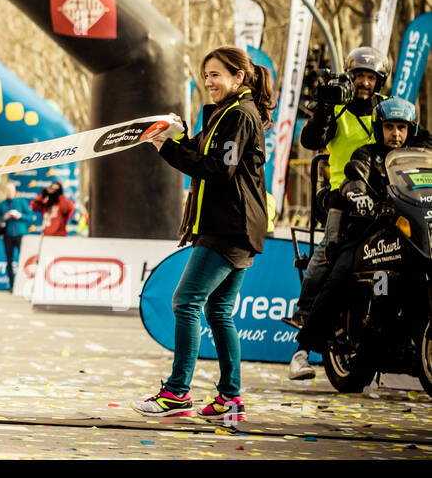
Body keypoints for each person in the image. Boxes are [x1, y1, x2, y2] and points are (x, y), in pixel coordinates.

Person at [131, 45, 274, 423]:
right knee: (218, 309)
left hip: (230, 227)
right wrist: (173, 135)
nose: (209, 81)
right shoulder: (223, 113)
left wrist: (166, 150)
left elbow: (217, 169)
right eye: (206, 75)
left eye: (216, 75)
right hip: (234, 225)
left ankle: (177, 392)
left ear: (238, 78)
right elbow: (198, 149)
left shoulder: (240, 114)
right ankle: (230, 398)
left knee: (186, 301)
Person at [290, 97, 423, 379]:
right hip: (367, 231)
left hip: (407, 234)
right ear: (379, 128)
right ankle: (302, 351)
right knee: (341, 275)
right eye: (389, 127)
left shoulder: (419, 158)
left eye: (401, 127)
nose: (396, 134)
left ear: (411, 129)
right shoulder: (367, 154)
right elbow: (354, 178)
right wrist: (357, 194)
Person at [288, 47, 389, 333]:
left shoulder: (387, 109)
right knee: (326, 253)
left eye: (371, 77)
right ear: (350, 77)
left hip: (383, 194)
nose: (364, 83)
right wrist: (323, 109)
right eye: (359, 76)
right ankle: (304, 310)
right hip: (340, 195)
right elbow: (309, 141)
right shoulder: (337, 109)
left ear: (378, 81)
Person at [0, 182, 34, 286]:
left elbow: (30, 216)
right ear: (5, 191)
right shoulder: (1, 205)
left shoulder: (21, 202)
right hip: (8, 236)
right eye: (7, 190)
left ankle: (23, 283)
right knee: (9, 260)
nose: (9, 192)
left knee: (23, 259)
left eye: (11, 190)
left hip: (21, 235)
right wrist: (4, 217)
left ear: (15, 191)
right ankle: (12, 284)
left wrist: (20, 216)